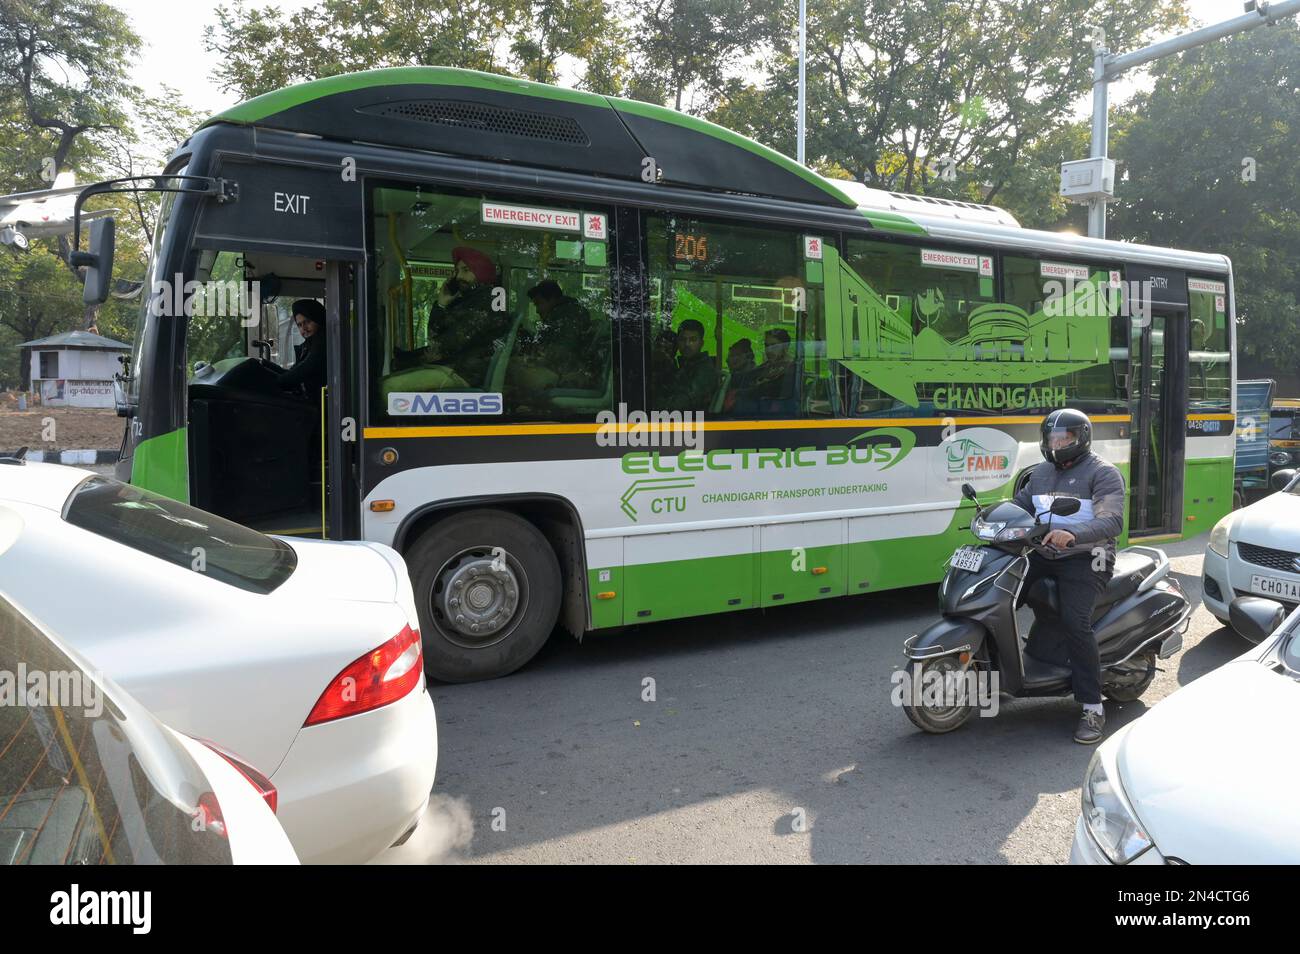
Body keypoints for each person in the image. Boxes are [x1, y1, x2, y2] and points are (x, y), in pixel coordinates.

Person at [1012, 408, 1126, 745]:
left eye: (1065, 438)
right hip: (1045, 552)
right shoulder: (1041, 472)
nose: (1057, 443)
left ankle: (1092, 707)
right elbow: (1020, 506)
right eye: (1052, 437)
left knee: (1075, 622)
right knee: (1001, 593)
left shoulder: (1103, 474)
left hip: (1089, 555)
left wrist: (1073, 533)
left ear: (1082, 438)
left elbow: (1112, 521)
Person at [424, 246, 510, 387]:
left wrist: (441, 308)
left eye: (466, 270)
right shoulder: (468, 301)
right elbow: (437, 339)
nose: (458, 277)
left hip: (464, 374)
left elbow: (442, 346)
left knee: (389, 387)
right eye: (457, 271)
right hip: (456, 369)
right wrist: (441, 305)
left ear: (481, 272)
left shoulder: (488, 300)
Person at [519, 279, 605, 390]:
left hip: (565, 377)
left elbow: (562, 351)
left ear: (553, 299)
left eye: (539, 304)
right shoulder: (562, 315)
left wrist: (533, 357)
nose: (537, 310)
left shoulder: (567, 317)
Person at [659, 318, 718, 411]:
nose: (687, 344)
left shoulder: (704, 371)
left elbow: (680, 403)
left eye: (693, 340)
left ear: (701, 343)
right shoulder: (687, 365)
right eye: (683, 339)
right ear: (678, 342)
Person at [278, 299, 327, 395]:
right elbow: (294, 371)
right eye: (299, 325)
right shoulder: (308, 346)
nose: (304, 328)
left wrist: (273, 383)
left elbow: (304, 370)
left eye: (307, 322)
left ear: (318, 319)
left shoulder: (322, 342)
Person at [722, 338, 757, 412]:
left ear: (748, 357)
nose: (727, 360)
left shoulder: (752, 379)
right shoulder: (733, 377)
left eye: (733, 356)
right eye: (729, 356)